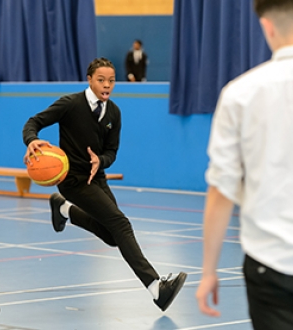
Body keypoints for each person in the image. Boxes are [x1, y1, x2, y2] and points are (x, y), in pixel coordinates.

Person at [196, 1, 293, 329]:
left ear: (267, 26)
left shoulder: (238, 94)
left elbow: (221, 190)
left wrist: (208, 271)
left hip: (269, 263)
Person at [22, 57, 186, 312]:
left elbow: (112, 151)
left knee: (112, 236)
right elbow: (34, 122)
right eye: (101, 80)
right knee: (121, 223)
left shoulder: (114, 112)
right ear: (89, 80)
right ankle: (156, 288)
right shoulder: (70, 104)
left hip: (96, 178)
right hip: (72, 181)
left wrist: (102, 160)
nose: (107, 84)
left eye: (111, 80)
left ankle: (64, 210)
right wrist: (31, 139)